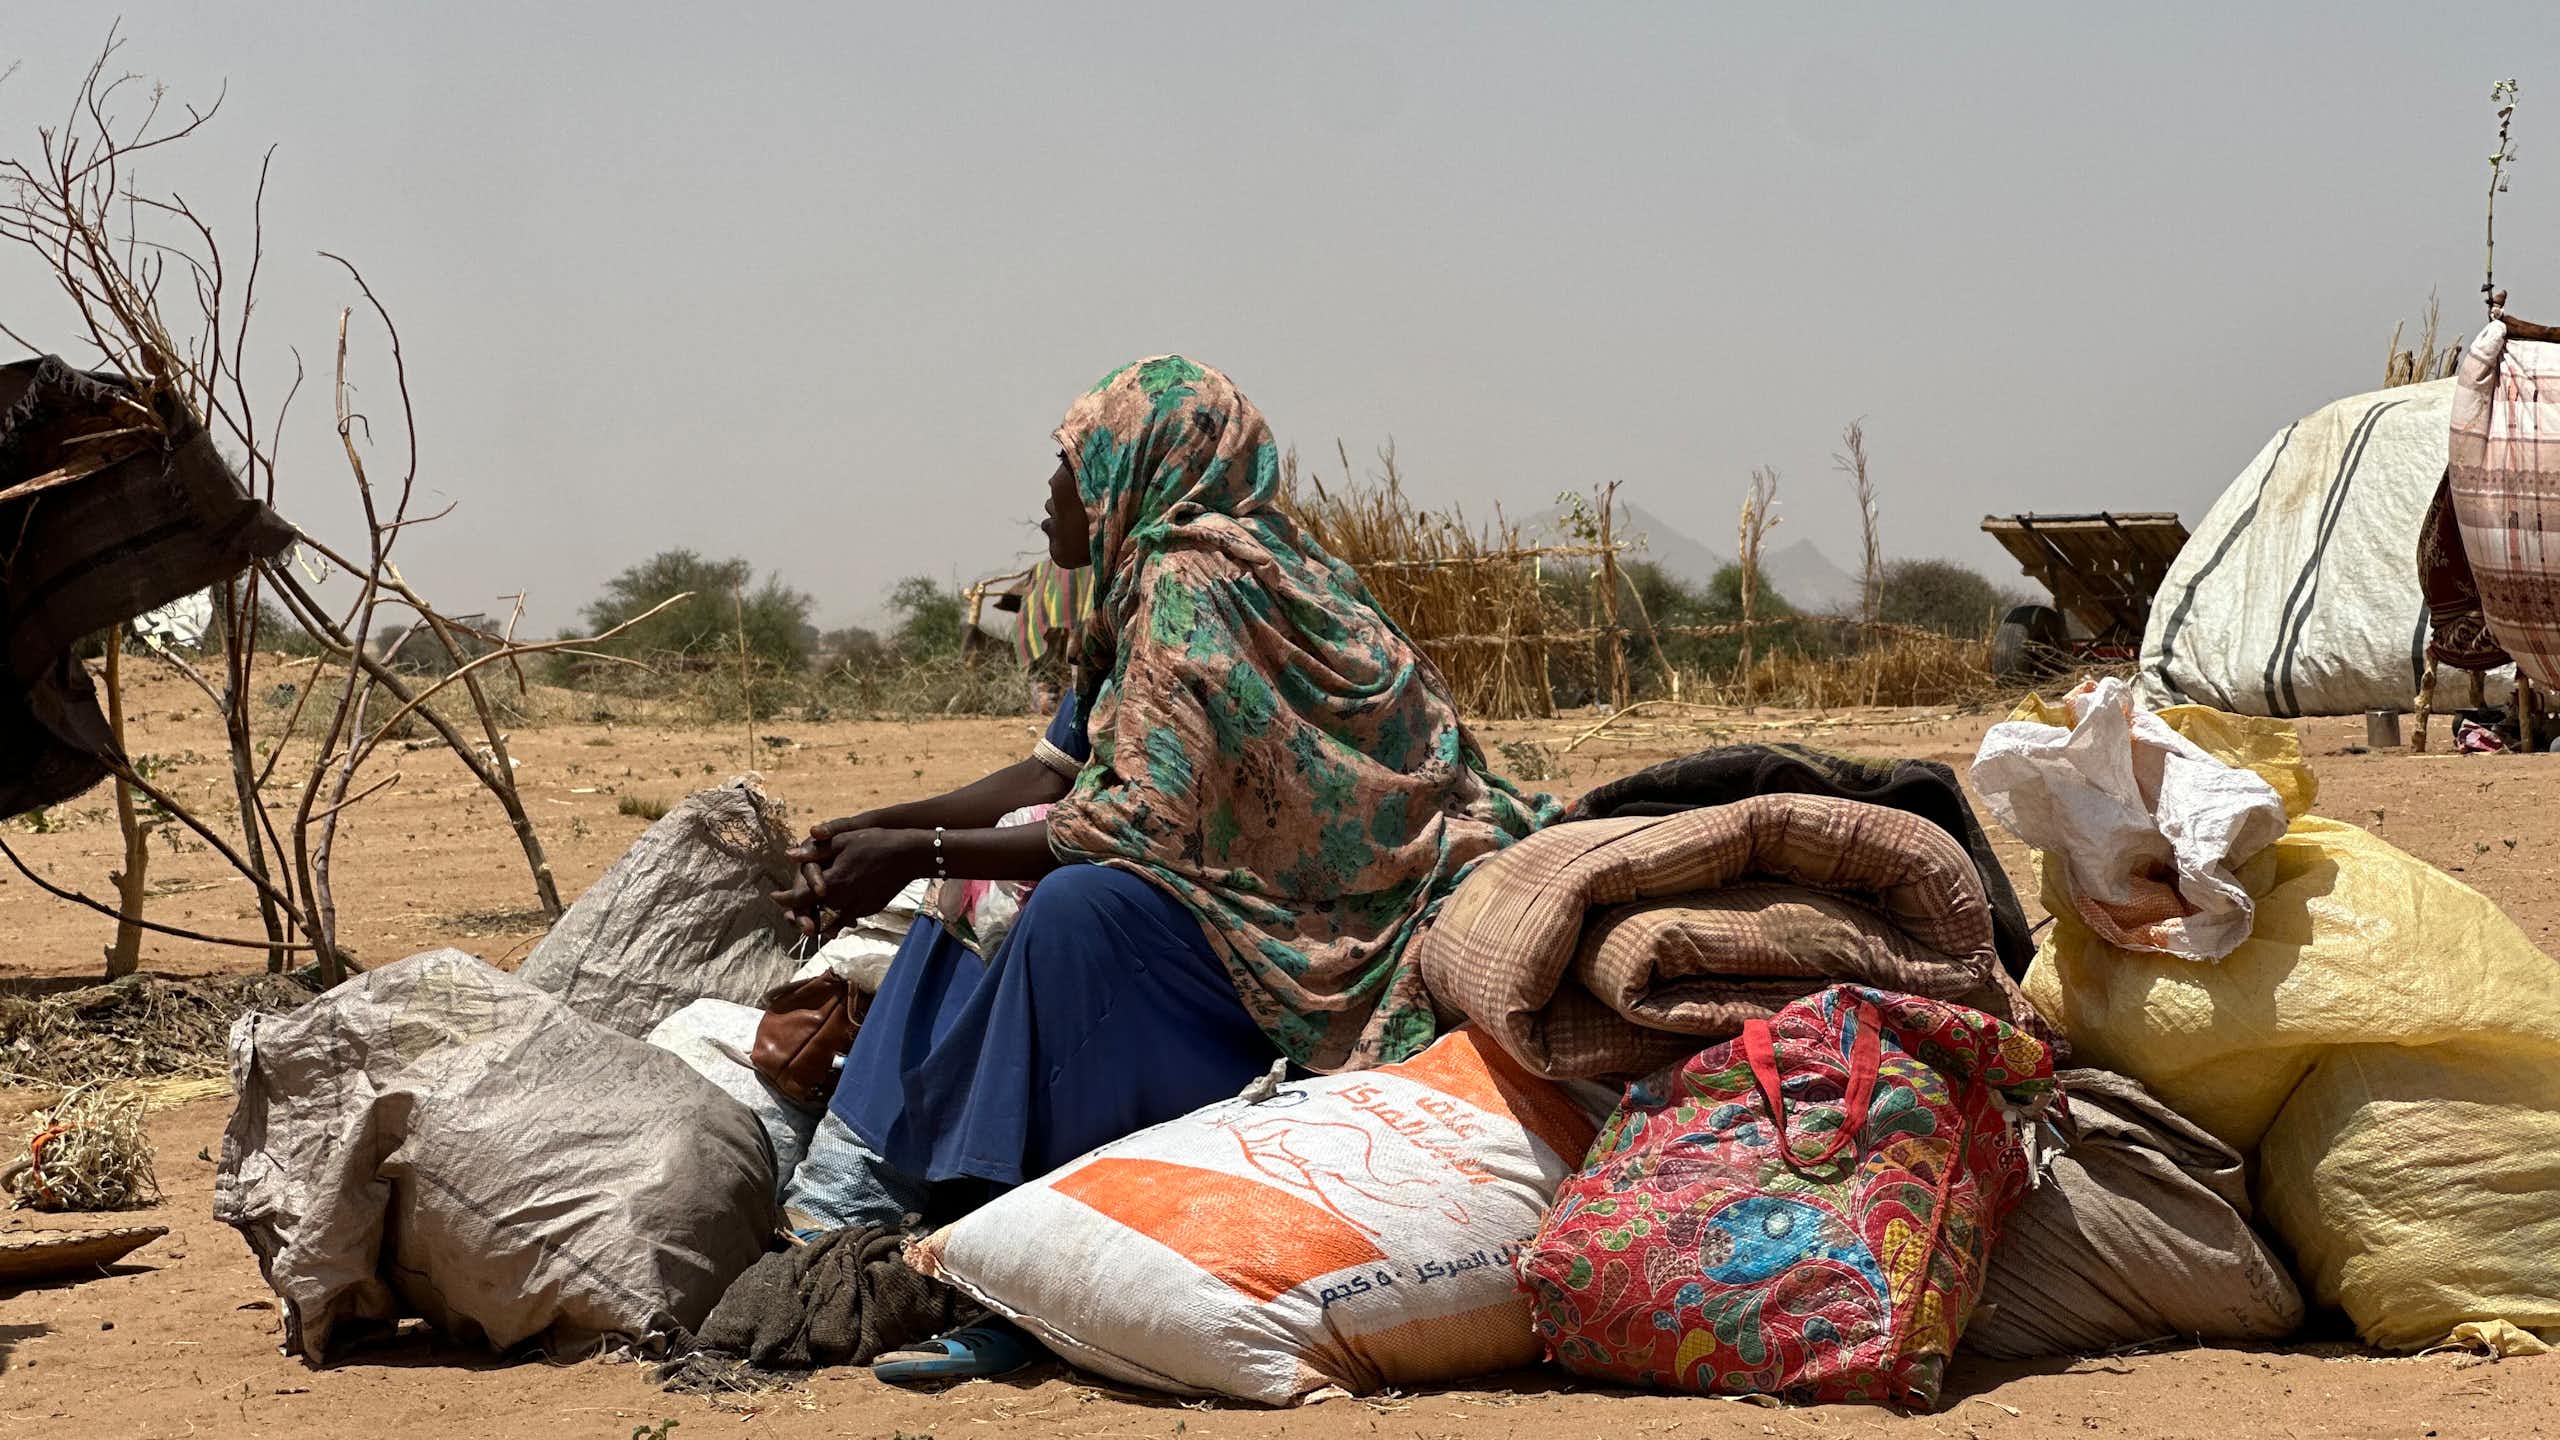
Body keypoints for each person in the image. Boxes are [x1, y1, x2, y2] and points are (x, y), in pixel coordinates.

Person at [773, 355, 1552, 1377]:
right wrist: (876, 829)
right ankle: (856, 1190)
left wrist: (910, 853)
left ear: (1135, 468)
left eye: (1072, 466)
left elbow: (1136, 820)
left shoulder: (1203, 584)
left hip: (1310, 937)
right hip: (1221, 906)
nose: (1055, 493)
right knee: (974, 877)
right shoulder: (1139, 588)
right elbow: (1057, 772)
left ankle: (995, 1233)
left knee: (1076, 909)